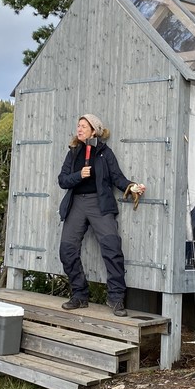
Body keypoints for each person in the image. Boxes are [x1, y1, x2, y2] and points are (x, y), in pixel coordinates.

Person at [58, 114, 145, 317]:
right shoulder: (73, 153)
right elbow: (62, 180)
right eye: (78, 126)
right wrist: (79, 175)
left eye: (83, 126)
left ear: (94, 131)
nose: (79, 129)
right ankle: (79, 295)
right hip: (77, 204)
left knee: (112, 247)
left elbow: (117, 178)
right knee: (67, 249)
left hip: (100, 203)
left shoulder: (105, 153)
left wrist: (132, 187)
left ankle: (115, 298)